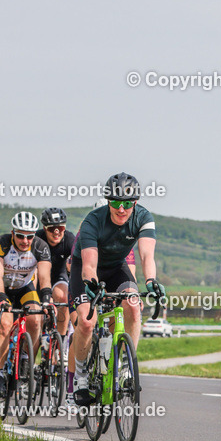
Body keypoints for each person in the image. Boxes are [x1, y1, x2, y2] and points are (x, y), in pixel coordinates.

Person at [70, 172, 162, 406]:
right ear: (108, 201)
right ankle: (80, 377)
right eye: (115, 203)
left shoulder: (144, 218)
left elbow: (146, 255)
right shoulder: (93, 220)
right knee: (87, 321)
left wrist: (150, 280)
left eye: (127, 204)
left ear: (136, 202)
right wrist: (92, 285)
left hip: (117, 268)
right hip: (88, 269)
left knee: (132, 306)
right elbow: (89, 264)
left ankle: (126, 368)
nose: (121, 209)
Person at [0, 211, 53, 398]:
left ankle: (25, 358)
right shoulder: (1, 243)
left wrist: (47, 299)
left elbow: (44, 277)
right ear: (12, 233)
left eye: (29, 236)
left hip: (25, 287)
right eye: (20, 236)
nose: (25, 241)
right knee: (5, 326)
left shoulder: (40, 247)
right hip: (2, 289)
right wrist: (0, 298)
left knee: (35, 320)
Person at [38, 207, 73, 338]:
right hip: (38, 277)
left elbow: (78, 264)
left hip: (58, 274)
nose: (57, 232)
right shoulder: (37, 239)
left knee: (64, 297)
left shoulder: (69, 239)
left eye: (61, 228)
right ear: (44, 228)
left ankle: (61, 340)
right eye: (52, 229)